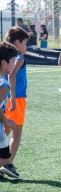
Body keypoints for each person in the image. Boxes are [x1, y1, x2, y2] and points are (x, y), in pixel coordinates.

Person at [0, 27, 29, 179]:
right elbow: (12, 76)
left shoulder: (8, 57)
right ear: (17, 42)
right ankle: (7, 163)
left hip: (10, 98)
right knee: (16, 133)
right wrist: (13, 99)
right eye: (25, 43)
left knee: (5, 131)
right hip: (17, 99)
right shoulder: (19, 58)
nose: (26, 47)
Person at [0, 42, 18, 179]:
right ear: (3, 63)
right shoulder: (4, 84)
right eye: (12, 61)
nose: (14, 64)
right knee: (6, 158)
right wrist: (6, 121)